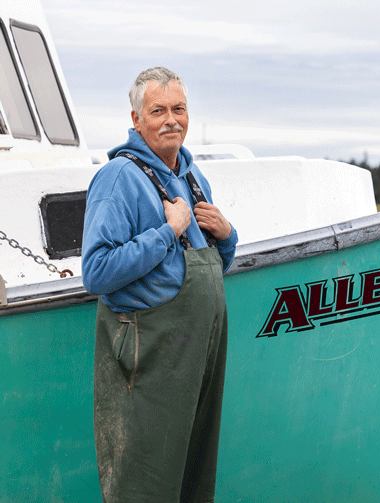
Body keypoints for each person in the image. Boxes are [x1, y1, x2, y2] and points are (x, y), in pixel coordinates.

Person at [82, 66, 239, 503]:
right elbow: (95, 271)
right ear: (136, 120)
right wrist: (166, 233)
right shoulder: (118, 179)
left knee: (193, 477)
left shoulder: (193, 177)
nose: (171, 120)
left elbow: (214, 265)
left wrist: (227, 234)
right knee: (145, 484)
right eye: (158, 111)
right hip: (149, 362)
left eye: (179, 109)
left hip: (197, 354)